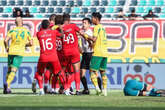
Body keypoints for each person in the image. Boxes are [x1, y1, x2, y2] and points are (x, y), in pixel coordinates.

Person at [34, 20, 69, 95]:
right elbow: (62, 36)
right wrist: (60, 29)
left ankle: (41, 90)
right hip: (53, 56)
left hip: (43, 57)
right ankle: (66, 90)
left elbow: (43, 32)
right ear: (48, 26)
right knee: (60, 72)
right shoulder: (53, 32)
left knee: (40, 73)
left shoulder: (38, 34)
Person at [3, 17, 33, 94]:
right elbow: (31, 43)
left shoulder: (12, 30)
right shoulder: (26, 31)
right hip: (19, 53)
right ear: (22, 22)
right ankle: (7, 84)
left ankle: (7, 88)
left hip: (11, 51)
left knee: (9, 70)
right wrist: (24, 44)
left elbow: (5, 40)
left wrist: (6, 47)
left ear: (15, 23)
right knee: (14, 70)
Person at [81, 12, 108, 96]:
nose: (92, 19)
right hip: (105, 52)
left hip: (97, 53)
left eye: (92, 18)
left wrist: (84, 35)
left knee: (92, 71)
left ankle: (97, 89)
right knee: (103, 72)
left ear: (96, 18)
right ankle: (105, 90)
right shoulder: (103, 28)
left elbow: (94, 39)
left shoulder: (96, 27)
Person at [79, 18, 102, 95]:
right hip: (85, 54)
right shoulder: (82, 32)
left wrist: (88, 40)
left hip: (91, 54)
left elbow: (92, 42)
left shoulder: (90, 32)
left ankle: (99, 89)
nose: (83, 24)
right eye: (82, 23)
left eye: (85, 23)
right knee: (81, 73)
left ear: (89, 24)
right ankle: (86, 89)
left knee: (94, 73)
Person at [62, 13, 81, 95]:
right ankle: (77, 90)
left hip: (65, 52)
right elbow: (80, 32)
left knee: (68, 72)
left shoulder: (61, 28)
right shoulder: (73, 26)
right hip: (74, 51)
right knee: (76, 71)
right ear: (69, 20)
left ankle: (66, 89)